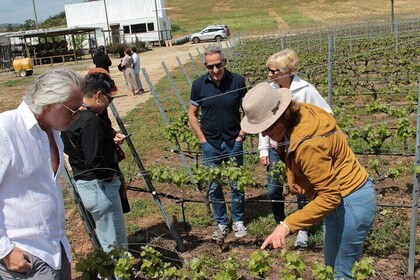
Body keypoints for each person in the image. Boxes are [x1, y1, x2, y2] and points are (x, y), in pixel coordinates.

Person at [241, 82, 376, 279]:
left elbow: (330, 196)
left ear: (283, 115)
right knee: (333, 269)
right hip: (347, 199)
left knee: (341, 274)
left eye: (268, 127)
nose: (264, 134)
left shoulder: (307, 144)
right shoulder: (304, 111)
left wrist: (286, 225)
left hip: (349, 203)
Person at [0, 68, 83, 279]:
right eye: (72, 110)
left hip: (56, 249)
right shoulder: (6, 129)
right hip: (24, 256)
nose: (77, 116)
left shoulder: (54, 133)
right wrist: (5, 251)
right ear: (48, 104)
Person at [259, 48, 333, 248]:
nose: (270, 74)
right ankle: (280, 225)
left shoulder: (306, 90)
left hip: (300, 150)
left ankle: (302, 230)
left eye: (273, 71)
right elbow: (262, 120)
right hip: (276, 149)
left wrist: (310, 137)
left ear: (287, 70)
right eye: (269, 70)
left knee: (301, 189)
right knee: (274, 189)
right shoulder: (270, 90)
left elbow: (327, 115)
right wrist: (263, 149)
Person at [61, 72, 128, 252]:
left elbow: (79, 148)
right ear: (98, 95)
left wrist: (109, 137)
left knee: (105, 239)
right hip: (100, 187)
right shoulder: (90, 120)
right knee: (116, 246)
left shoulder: (71, 116)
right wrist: (113, 178)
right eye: (109, 99)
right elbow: (95, 161)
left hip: (84, 184)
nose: (109, 103)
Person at [188, 44, 248, 240]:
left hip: (232, 140)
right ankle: (222, 223)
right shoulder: (198, 85)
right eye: (210, 66)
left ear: (224, 62)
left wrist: (241, 135)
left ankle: (238, 221)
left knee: (236, 182)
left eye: (218, 65)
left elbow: (248, 110)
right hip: (211, 143)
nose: (215, 70)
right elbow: (192, 114)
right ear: (205, 66)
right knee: (214, 185)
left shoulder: (237, 81)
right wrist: (202, 140)